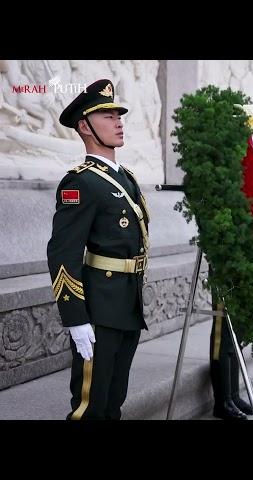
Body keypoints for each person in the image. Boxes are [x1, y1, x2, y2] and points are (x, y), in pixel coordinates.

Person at [47, 79, 150, 420]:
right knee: (89, 406)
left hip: (127, 304)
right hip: (98, 310)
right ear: (84, 126)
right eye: (106, 115)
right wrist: (76, 319)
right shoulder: (81, 182)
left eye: (118, 114)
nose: (118, 121)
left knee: (113, 402)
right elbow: (62, 254)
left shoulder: (126, 177)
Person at [209, 278, 253, 420]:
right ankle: (222, 402)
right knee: (223, 335)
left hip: (242, 265)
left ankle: (233, 396)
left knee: (236, 336)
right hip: (222, 267)